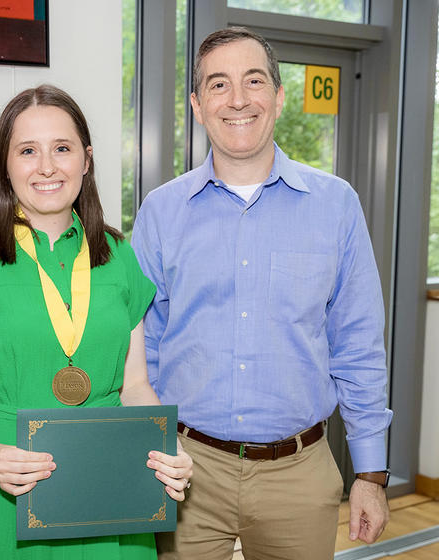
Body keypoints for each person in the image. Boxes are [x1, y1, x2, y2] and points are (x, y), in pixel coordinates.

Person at [131, 27, 392, 560]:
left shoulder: (336, 206)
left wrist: (370, 473)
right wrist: (151, 445)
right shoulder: (160, 212)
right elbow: (143, 350)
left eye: (253, 80)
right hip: (183, 471)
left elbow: (358, 346)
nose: (238, 99)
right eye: (218, 85)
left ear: (277, 95)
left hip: (299, 476)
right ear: (198, 106)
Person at [0, 84, 192, 560]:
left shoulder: (119, 257)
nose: (47, 166)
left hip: (107, 488)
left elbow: (135, 384)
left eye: (62, 148)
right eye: (28, 151)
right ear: (5, 164)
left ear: (87, 159)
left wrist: (163, 450)